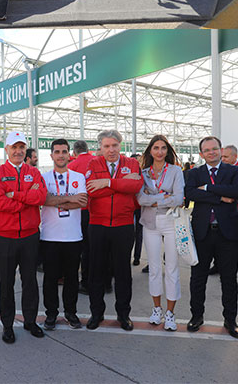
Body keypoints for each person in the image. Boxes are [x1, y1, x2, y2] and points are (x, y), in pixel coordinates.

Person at [184, 135, 238, 338]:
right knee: (198, 278)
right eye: (207, 150)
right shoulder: (194, 173)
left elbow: (236, 191)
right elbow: (191, 193)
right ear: (201, 154)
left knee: (229, 279)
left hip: (228, 233)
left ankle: (230, 320)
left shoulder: (235, 170)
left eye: (215, 149)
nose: (211, 152)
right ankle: (196, 316)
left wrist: (209, 188)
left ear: (221, 150)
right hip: (202, 233)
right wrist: (220, 197)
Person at [0, 131, 47, 343]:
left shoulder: (34, 172)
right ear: (7, 149)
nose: (18, 151)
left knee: (30, 281)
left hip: (30, 236)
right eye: (14, 147)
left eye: (21, 147)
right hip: (6, 237)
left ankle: (30, 321)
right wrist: (27, 199)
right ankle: (7, 325)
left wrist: (16, 195)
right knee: (6, 283)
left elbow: (41, 196)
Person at [81, 129, 141, 331]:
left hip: (123, 225)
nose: (111, 150)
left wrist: (107, 182)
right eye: (106, 146)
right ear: (100, 147)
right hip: (98, 224)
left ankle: (123, 315)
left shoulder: (132, 163)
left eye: (115, 145)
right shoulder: (93, 163)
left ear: (120, 146)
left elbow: (136, 187)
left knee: (123, 272)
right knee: (96, 271)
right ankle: (96, 313)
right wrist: (123, 184)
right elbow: (90, 189)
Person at [134, 134, 184, 331]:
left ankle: (170, 313)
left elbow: (179, 198)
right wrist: (164, 196)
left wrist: (153, 198)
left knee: (171, 268)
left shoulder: (175, 171)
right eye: (156, 148)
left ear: (168, 150)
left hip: (171, 221)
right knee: (154, 269)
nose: (160, 152)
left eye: (163, 148)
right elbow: (139, 199)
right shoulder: (143, 172)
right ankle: (157, 309)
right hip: (150, 222)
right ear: (150, 151)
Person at [38, 139, 87, 331]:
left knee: (72, 278)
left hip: (73, 237)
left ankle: (70, 312)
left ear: (69, 155)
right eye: (57, 151)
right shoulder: (43, 177)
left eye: (64, 151)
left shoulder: (78, 177)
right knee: (50, 279)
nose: (60, 155)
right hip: (50, 236)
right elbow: (43, 199)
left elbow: (82, 202)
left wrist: (56, 200)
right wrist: (69, 198)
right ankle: (51, 314)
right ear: (51, 155)